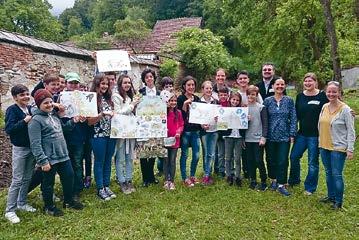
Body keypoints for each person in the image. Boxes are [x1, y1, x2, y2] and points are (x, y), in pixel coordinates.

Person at [28, 89, 84, 216]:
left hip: (63, 155)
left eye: (50, 102)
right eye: (45, 103)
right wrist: (43, 161)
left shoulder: (53, 116)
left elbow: (63, 130)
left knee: (69, 177)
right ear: (38, 105)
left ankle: (68, 201)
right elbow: (35, 144)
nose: (48, 105)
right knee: (48, 183)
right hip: (49, 158)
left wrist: (73, 121)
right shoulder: (35, 121)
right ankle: (49, 207)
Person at [288, 73, 328, 195]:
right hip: (302, 134)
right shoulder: (300, 96)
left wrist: (348, 110)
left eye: (310, 81)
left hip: (315, 136)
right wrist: (293, 132)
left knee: (312, 162)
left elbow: (334, 105)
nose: (308, 83)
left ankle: (310, 187)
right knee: (294, 157)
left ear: (315, 82)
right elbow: (296, 116)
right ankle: (294, 180)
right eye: (306, 81)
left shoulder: (322, 96)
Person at [318, 81, 355, 209]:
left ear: (339, 93)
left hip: (338, 147)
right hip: (324, 145)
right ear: (326, 92)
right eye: (329, 91)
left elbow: (351, 130)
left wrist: (350, 149)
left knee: (336, 174)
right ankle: (331, 196)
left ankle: (338, 202)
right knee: (328, 173)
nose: (331, 94)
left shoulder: (345, 110)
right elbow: (321, 125)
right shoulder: (324, 107)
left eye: (334, 91)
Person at [4, 84, 36, 224]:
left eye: (27, 94)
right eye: (22, 95)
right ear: (15, 97)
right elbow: (9, 129)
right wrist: (24, 121)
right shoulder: (12, 110)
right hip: (20, 149)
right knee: (17, 179)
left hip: (31, 148)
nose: (26, 97)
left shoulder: (29, 108)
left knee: (27, 177)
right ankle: (10, 210)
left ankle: (21, 203)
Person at [263, 78, 297, 196]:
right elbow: (264, 118)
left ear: (285, 86)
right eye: (277, 84)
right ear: (273, 86)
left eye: (282, 84)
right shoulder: (267, 101)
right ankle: (273, 180)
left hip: (284, 136)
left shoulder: (289, 100)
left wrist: (292, 133)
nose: (280, 86)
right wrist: (264, 135)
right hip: (270, 136)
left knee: (282, 160)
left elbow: (293, 117)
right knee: (270, 159)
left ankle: (282, 184)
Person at [87, 74, 117, 201]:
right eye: (102, 83)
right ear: (97, 84)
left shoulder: (109, 98)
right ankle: (100, 188)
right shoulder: (91, 99)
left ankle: (106, 185)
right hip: (97, 134)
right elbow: (89, 122)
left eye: (106, 84)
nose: (104, 86)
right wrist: (102, 114)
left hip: (111, 134)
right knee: (99, 160)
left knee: (108, 160)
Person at [61, 72, 88, 201]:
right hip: (63, 137)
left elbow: (89, 114)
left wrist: (84, 118)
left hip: (78, 136)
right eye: (71, 83)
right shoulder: (59, 97)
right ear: (66, 84)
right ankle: (67, 188)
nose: (73, 85)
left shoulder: (83, 97)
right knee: (65, 165)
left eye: (76, 83)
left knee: (77, 163)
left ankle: (77, 189)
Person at [112, 75, 139, 194]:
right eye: (125, 83)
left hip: (131, 130)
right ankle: (121, 180)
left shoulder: (129, 96)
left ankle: (128, 179)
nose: (127, 85)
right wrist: (132, 105)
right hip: (121, 131)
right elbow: (118, 113)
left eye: (129, 83)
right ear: (120, 84)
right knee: (120, 157)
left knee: (129, 157)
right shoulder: (116, 96)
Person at [138, 69, 161, 187]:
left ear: (154, 78)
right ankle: (145, 178)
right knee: (143, 152)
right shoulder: (140, 92)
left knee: (153, 151)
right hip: (143, 125)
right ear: (144, 80)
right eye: (147, 77)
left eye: (151, 76)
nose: (149, 79)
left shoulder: (159, 93)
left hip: (155, 126)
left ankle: (151, 176)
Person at [177, 76, 202, 187]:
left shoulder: (197, 99)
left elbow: (202, 115)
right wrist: (185, 104)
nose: (191, 87)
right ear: (184, 86)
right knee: (185, 154)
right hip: (185, 132)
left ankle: (192, 175)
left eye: (193, 85)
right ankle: (185, 177)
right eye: (188, 85)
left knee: (196, 155)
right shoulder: (180, 99)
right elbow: (180, 116)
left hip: (196, 131)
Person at [245, 85, 268, 191]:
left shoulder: (261, 107)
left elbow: (265, 123)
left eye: (253, 94)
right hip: (247, 138)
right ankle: (253, 180)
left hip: (258, 138)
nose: (251, 96)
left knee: (259, 160)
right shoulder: (243, 108)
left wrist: (263, 137)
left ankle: (263, 180)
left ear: (257, 95)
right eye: (249, 94)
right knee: (250, 160)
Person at [161, 90, 184, 190]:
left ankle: (172, 181)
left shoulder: (178, 113)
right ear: (167, 101)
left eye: (175, 100)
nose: (173, 102)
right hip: (165, 140)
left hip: (175, 140)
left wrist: (179, 132)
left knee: (172, 160)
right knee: (165, 161)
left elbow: (181, 124)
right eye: (171, 100)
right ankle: (166, 180)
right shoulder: (163, 113)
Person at [200, 81, 219, 185]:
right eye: (206, 88)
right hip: (204, 132)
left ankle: (207, 174)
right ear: (203, 90)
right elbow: (196, 117)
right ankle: (206, 172)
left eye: (210, 88)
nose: (209, 90)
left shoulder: (215, 102)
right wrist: (201, 125)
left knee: (211, 153)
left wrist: (218, 118)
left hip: (214, 130)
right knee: (206, 152)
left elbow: (220, 115)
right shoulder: (199, 102)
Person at [224, 92, 244, 186]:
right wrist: (219, 120)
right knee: (228, 157)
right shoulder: (225, 110)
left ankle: (237, 176)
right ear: (230, 99)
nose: (235, 101)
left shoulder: (242, 111)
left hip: (239, 137)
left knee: (237, 158)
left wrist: (246, 119)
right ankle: (228, 176)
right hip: (228, 136)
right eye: (233, 99)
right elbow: (222, 125)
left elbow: (245, 126)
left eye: (237, 100)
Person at [216, 86, 230, 177]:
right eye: (221, 95)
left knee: (229, 154)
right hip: (219, 133)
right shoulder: (216, 105)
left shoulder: (230, 105)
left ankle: (229, 170)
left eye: (225, 95)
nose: (223, 96)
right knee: (221, 154)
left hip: (229, 132)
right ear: (218, 95)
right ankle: (221, 170)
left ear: (228, 95)